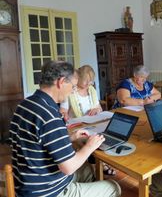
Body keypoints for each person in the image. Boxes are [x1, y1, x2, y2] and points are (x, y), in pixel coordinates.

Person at [9, 61, 121, 197]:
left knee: (86, 169)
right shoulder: (50, 116)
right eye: (73, 86)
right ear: (61, 82)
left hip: (28, 182)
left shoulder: (25, 104)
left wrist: (69, 138)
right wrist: (90, 147)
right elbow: (69, 168)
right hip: (46, 191)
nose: (73, 91)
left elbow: (37, 143)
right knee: (113, 187)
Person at [60, 64, 116, 176]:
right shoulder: (70, 91)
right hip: (77, 127)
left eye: (91, 81)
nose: (89, 84)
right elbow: (63, 111)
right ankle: (99, 165)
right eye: (86, 81)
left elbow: (98, 108)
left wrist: (96, 109)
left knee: (105, 135)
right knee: (87, 139)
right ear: (78, 79)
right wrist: (64, 114)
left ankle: (102, 162)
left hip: (92, 123)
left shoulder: (91, 90)